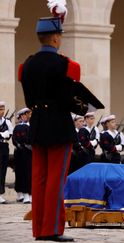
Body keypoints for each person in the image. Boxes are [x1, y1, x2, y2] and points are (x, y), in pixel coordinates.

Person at [19, 16, 89, 241]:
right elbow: (71, 100)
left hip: (38, 124)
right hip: (59, 125)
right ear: (56, 38)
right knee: (56, 180)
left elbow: (29, 101)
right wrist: (83, 105)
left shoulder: (26, 65)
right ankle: (52, 229)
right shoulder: (65, 65)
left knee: (38, 178)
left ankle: (39, 229)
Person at [13, 108, 32, 204]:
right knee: (22, 173)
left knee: (30, 173)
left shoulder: (31, 126)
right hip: (22, 153)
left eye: (28, 114)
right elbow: (15, 140)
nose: (27, 116)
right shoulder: (18, 127)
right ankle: (24, 194)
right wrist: (21, 145)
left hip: (30, 153)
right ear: (21, 116)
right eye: (25, 114)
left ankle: (29, 193)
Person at [0, 101, 13, 204]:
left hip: (4, 146)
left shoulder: (7, 122)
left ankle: (1, 193)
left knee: (2, 170)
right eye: (0, 109)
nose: (2, 111)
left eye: (3, 109)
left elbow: (9, 135)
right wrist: (3, 134)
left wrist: (3, 134)